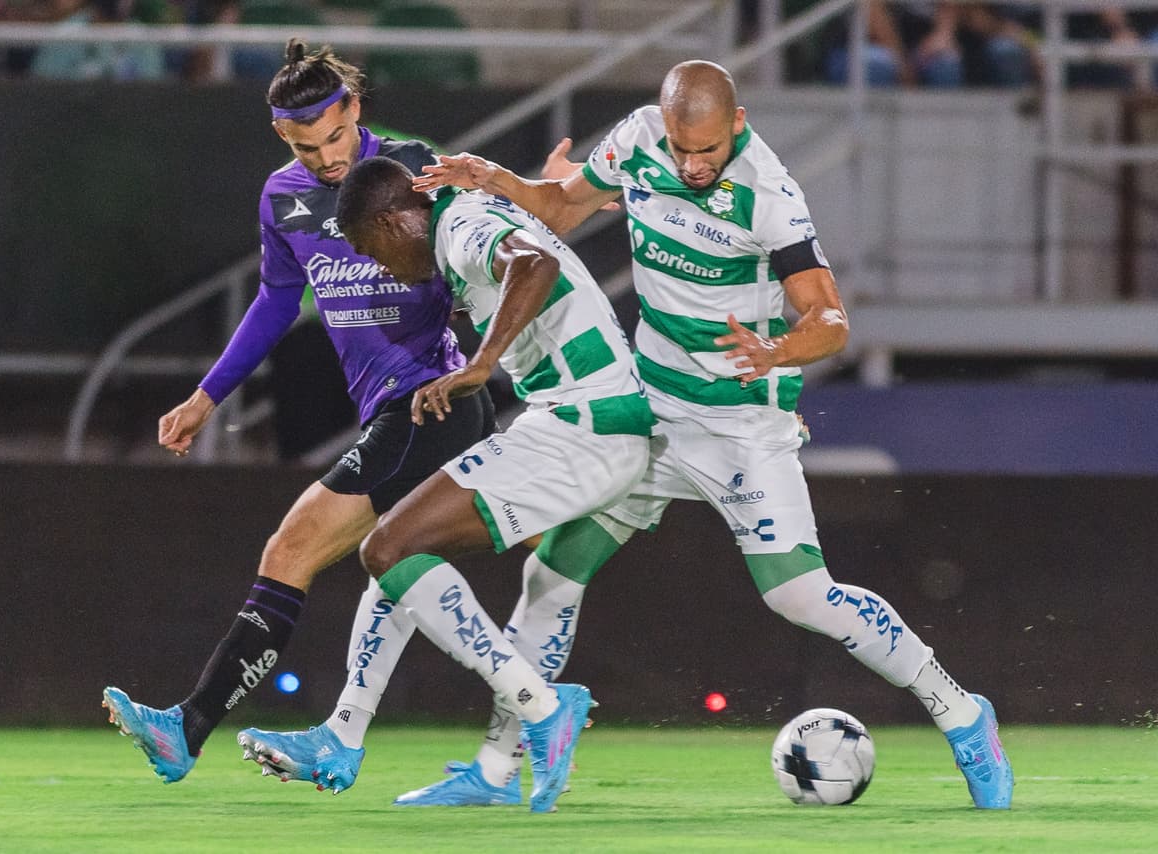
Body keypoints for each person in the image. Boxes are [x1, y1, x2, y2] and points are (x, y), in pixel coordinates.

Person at [412, 59, 1015, 810]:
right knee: (553, 572)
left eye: (707, 150)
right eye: (681, 148)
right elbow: (560, 208)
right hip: (650, 408)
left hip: (739, 425)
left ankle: (962, 714)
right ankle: (496, 774)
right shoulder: (638, 140)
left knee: (801, 597)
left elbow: (829, 320)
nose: (692, 165)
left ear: (736, 123)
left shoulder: (770, 194)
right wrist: (498, 180)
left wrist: (778, 350)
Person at [100, 41, 500, 788]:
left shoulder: (413, 165)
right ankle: (523, 713)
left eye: (334, 138)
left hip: (435, 401)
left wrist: (550, 193)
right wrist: (207, 395)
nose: (324, 159)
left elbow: (498, 244)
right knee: (400, 578)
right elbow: (277, 301)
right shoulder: (283, 195)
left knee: (293, 548)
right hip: (391, 411)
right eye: (305, 146)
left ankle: (189, 727)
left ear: (354, 109)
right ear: (284, 137)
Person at [237, 155, 656, 813]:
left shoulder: (458, 224)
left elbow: (534, 265)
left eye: (369, 247)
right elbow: (524, 253)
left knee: (387, 549)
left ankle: (545, 708)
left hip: (584, 427)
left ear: (398, 219)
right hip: (602, 425)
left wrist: (482, 364)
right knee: (415, 557)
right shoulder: (464, 225)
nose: (376, 263)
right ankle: (373, 743)